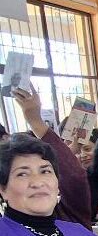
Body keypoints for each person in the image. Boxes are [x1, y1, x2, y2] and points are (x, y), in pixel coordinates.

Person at [10, 87, 92, 227]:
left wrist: (35, 121)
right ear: (3, 189)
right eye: (23, 174)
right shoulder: (6, 235)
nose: (37, 182)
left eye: (45, 171)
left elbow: (74, 177)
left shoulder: (70, 217)